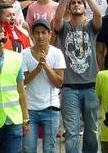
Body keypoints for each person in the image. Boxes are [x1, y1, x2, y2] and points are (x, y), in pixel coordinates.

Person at [53, 0, 103, 153]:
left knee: (92, 130)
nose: (76, 5)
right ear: (69, 7)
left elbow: (98, 15)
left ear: (83, 6)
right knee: (72, 131)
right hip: (68, 88)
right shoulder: (64, 27)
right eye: (73, 3)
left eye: (78, 2)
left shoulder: (90, 26)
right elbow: (57, 20)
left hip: (90, 86)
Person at [22, 19, 65, 153]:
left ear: (49, 34)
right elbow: (23, 81)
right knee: (28, 148)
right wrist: (37, 69)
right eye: (37, 33)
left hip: (51, 108)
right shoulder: (24, 54)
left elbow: (59, 83)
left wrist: (46, 66)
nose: (40, 36)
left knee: (49, 148)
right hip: (30, 109)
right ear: (32, 35)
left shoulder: (56, 53)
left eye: (43, 33)